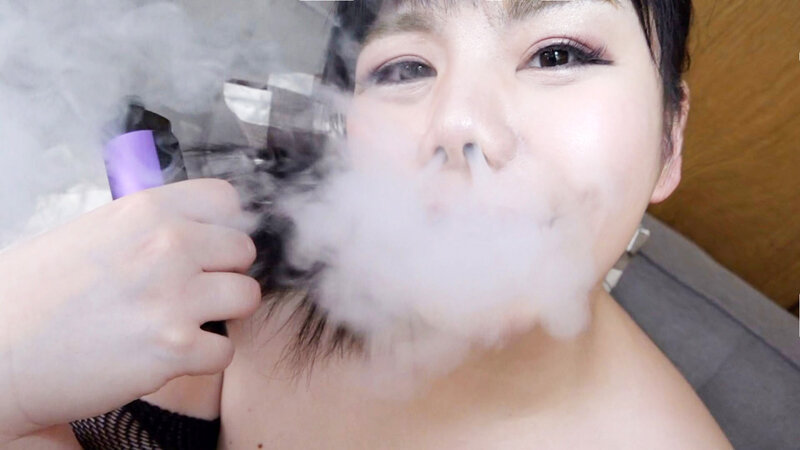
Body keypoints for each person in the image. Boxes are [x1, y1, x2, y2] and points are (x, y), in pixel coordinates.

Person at [1, 0, 734, 448]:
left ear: (670, 138)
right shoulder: (266, 235)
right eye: (405, 68)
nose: (458, 122)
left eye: (558, 53)